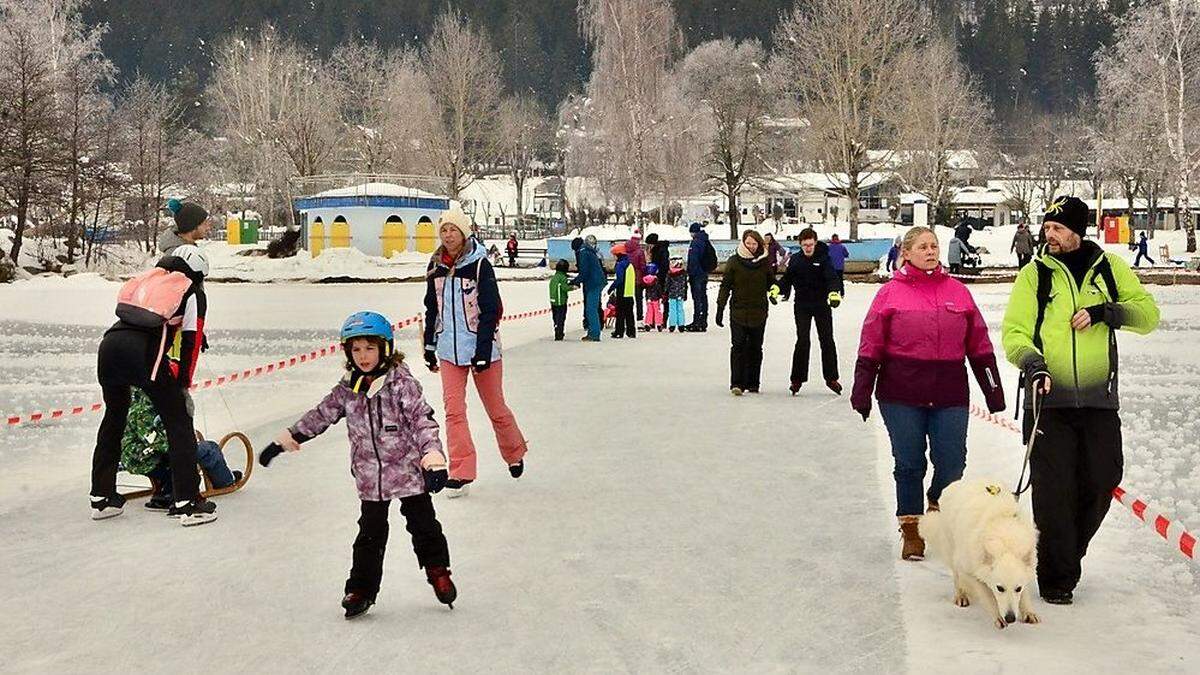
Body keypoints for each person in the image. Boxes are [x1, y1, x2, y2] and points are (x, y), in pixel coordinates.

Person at [1001, 195, 1159, 605]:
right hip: (1048, 401)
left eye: (1057, 228)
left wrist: (1107, 311)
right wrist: (1033, 363)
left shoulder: (1109, 268)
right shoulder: (1035, 275)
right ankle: (1056, 578)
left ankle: (1067, 555)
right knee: (1054, 494)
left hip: (1098, 401)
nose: (1048, 235)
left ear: (1076, 231)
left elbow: (1148, 315)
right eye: (1046, 228)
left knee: (1103, 479)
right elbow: (1014, 333)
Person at [265, 312, 456, 619]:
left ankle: (438, 571)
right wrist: (286, 439)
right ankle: (361, 590)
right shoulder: (348, 388)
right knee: (369, 534)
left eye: (369, 348)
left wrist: (433, 459)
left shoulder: (402, 384)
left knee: (424, 525)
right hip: (370, 477)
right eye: (356, 349)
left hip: (408, 472)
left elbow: (423, 422)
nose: (363, 356)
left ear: (385, 348)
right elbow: (322, 414)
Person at [851, 226, 1006, 561]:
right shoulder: (890, 293)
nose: (931, 251)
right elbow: (871, 344)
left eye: (934, 245)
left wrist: (993, 390)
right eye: (922, 246)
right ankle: (912, 529)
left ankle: (937, 499)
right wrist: (862, 390)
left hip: (949, 391)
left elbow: (979, 344)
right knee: (909, 463)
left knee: (952, 462)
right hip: (900, 393)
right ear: (906, 253)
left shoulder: (958, 292)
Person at [90, 243, 216, 526]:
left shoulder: (151, 279)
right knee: (179, 421)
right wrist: (184, 382)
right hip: (144, 355)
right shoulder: (190, 289)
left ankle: (102, 497)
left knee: (114, 418)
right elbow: (192, 339)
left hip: (108, 348)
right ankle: (188, 503)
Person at [424, 207, 528, 497]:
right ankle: (460, 472)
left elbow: (491, 310)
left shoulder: (480, 265)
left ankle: (514, 452)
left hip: (482, 349)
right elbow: (432, 309)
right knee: (454, 411)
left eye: (452, 229)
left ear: (464, 233)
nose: (447, 235)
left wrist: (483, 350)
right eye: (443, 230)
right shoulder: (435, 267)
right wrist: (430, 346)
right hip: (448, 349)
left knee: (496, 408)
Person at [120, 390, 242, 511]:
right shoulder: (145, 409)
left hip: (141, 455)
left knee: (200, 447)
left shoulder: (135, 401)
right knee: (209, 449)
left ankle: (167, 488)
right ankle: (225, 481)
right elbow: (155, 440)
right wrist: (184, 443)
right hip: (149, 458)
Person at [774, 228, 843, 396]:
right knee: (802, 341)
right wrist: (776, 288)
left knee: (826, 340)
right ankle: (796, 379)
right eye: (805, 245)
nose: (808, 248)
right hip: (802, 305)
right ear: (800, 244)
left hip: (821, 305)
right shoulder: (796, 260)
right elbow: (787, 279)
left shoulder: (824, 258)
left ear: (815, 242)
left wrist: (834, 293)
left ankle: (831, 377)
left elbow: (832, 278)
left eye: (810, 244)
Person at [716, 230, 774, 396]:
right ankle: (737, 383)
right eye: (748, 243)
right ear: (743, 243)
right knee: (738, 347)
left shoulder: (764, 262)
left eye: (754, 244)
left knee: (756, 348)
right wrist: (720, 307)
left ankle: (753, 383)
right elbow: (726, 285)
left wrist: (775, 292)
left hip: (759, 312)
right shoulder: (734, 261)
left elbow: (771, 282)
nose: (751, 246)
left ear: (759, 245)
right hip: (738, 312)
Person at [571, 235, 606, 342]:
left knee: (591, 309)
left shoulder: (583, 252)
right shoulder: (588, 250)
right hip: (597, 281)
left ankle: (594, 334)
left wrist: (575, 281)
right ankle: (593, 331)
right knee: (593, 308)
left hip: (593, 282)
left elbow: (584, 271)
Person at [607, 243, 637, 339]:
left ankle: (619, 332)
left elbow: (619, 279)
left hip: (622, 292)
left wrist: (611, 287)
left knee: (620, 313)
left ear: (619, 254)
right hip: (629, 293)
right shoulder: (630, 264)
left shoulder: (620, 265)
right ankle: (631, 332)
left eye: (615, 255)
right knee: (629, 313)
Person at [686, 222, 712, 332]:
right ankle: (703, 320)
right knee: (703, 296)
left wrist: (690, 272)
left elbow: (693, 260)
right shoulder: (705, 240)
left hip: (696, 274)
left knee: (697, 298)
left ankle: (697, 321)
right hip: (704, 272)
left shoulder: (695, 242)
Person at [645, 233, 671, 324]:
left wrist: (657, 272)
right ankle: (656, 320)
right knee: (656, 299)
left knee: (663, 298)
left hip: (661, 278)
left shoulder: (660, 250)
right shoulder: (658, 250)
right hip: (658, 277)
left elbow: (663, 265)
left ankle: (663, 320)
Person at [549, 259, 574, 341]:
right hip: (561, 301)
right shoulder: (562, 278)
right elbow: (564, 288)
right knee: (561, 318)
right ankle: (559, 333)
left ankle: (556, 329)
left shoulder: (554, 278)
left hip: (553, 301)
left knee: (555, 318)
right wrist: (573, 287)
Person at [626, 231, 648, 322]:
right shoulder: (640, 252)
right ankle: (639, 318)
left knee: (628, 299)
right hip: (638, 278)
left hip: (628, 277)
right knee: (639, 299)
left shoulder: (626, 250)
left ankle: (628, 319)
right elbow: (642, 266)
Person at [666, 256, 688, 333]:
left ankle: (672, 325)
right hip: (681, 293)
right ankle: (681, 325)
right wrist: (685, 294)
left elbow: (667, 284)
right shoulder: (683, 273)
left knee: (672, 309)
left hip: (672, 294)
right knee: (680, 309)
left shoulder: (670, 273)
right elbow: (685, 285)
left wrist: (666, 293)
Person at [642, 265, 665, 332]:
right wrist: (661, 296)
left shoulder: (646, 280)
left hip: (649, 299)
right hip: (656, 299)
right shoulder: (656, 280)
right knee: (657, 311)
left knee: (649, 311)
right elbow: (659, 289)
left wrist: (647, 298)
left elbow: (646, 290)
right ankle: (659, 324)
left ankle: (648, 323)